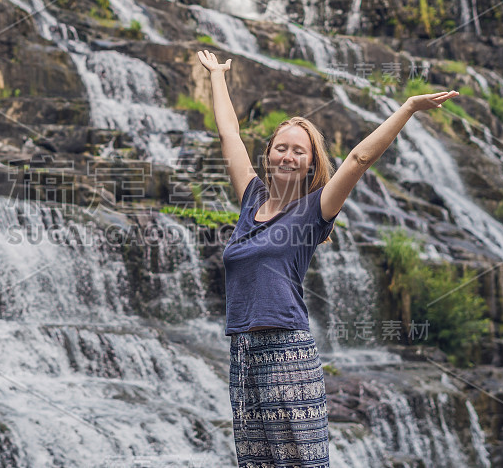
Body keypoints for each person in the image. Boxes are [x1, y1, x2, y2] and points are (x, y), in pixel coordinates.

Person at [196, 49, 458, 467]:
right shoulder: (251, 199)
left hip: (286, 349)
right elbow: (229, 134)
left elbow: (359, 158)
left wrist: (407, 107)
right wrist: (217, 76)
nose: (287, 156)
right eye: (281, 147)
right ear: (268, 155)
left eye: (298, 152)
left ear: (309, 164)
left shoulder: (315, 209)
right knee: (256, 463)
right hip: (242, 351)